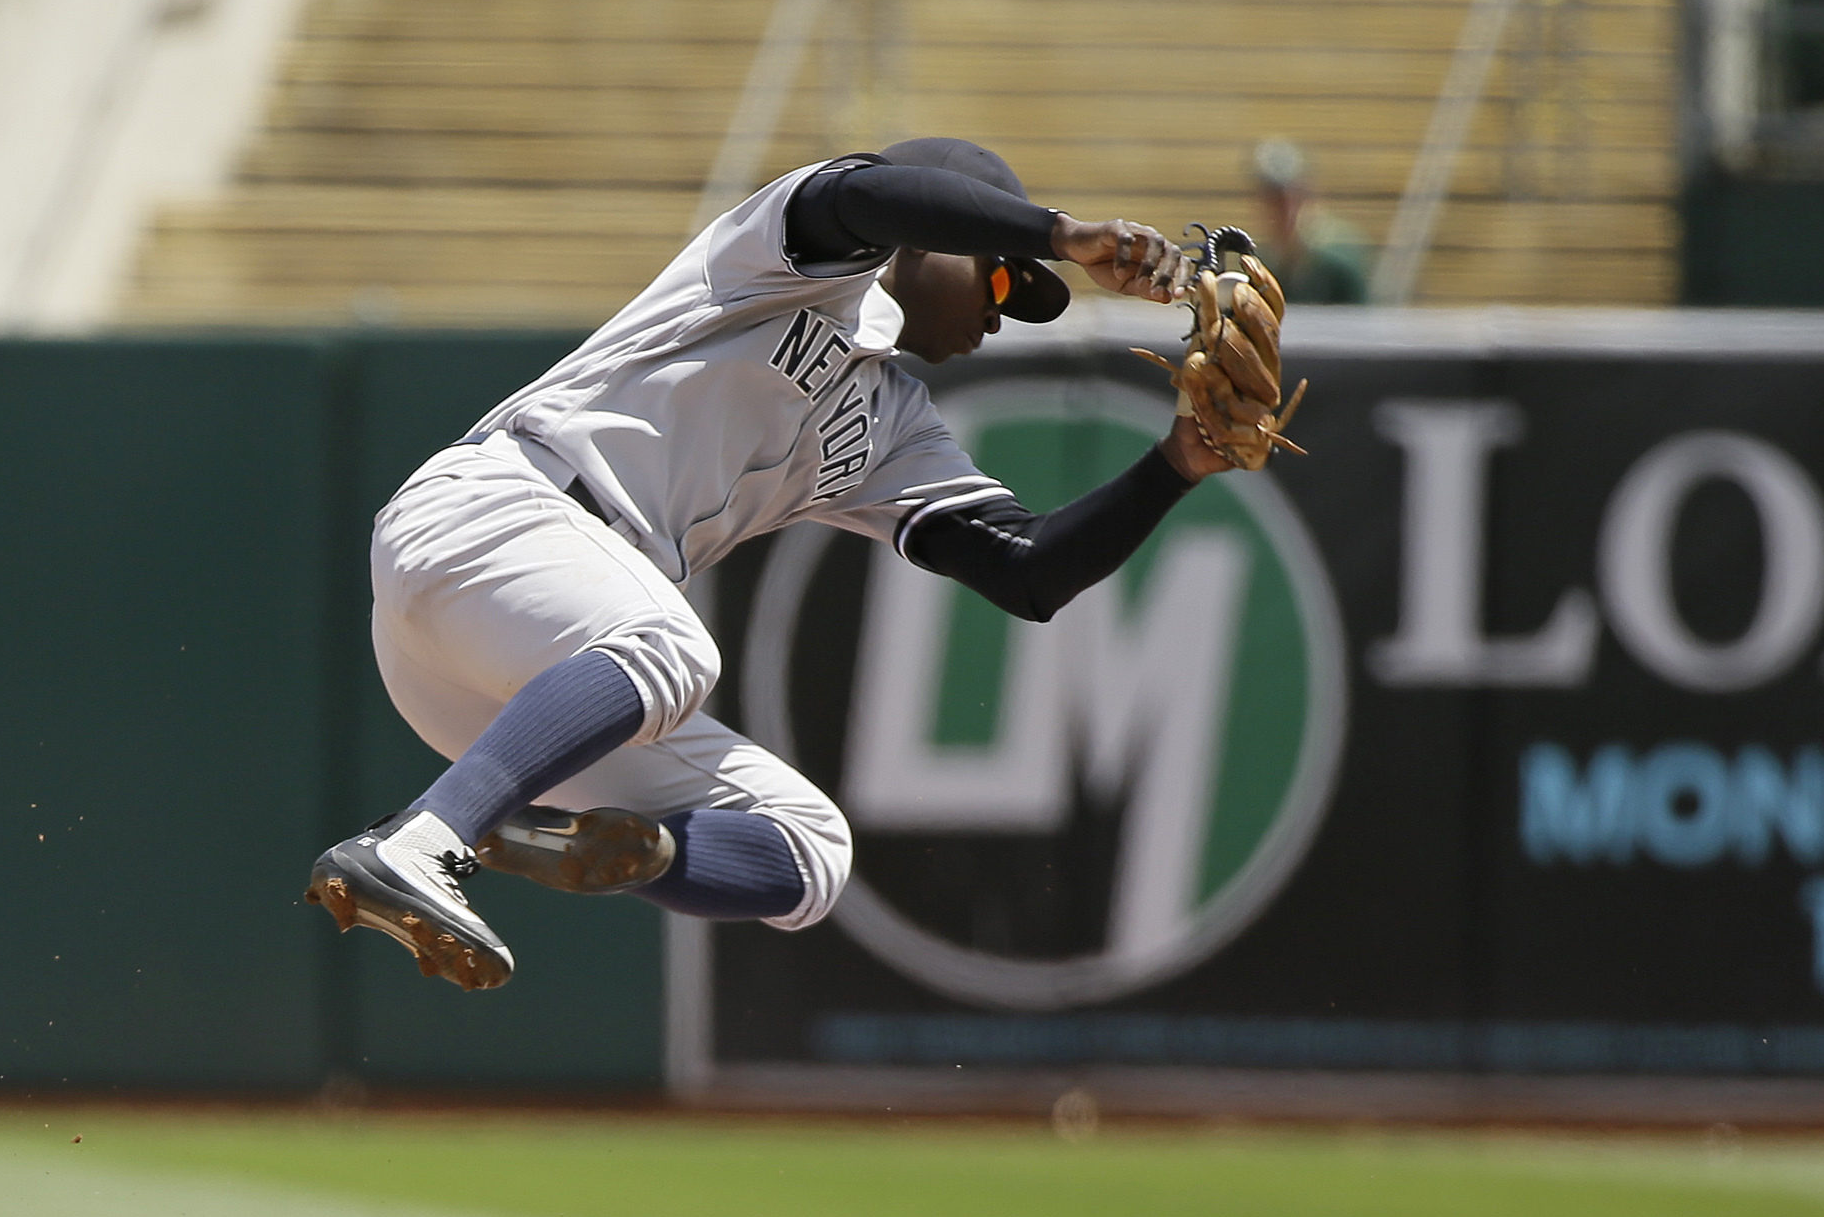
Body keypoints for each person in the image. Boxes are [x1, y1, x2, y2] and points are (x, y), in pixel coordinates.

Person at [298, 138, 1236, 992]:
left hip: (503, 675)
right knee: (672, 645)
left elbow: (1026, 570)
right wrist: (1065, 234)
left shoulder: (895, 425)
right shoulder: (788, 255)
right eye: (999, 284)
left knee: (812, 849)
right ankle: (423, 843)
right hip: (495, 513)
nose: (999, 318)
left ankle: (620, 847)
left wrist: (1180, 462)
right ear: (929, 241)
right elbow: (877, 192)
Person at [1248, 139, 1371, 307]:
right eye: (1273, 200)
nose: (1285, 210)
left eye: (1292, 198)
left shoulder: (1338, 261)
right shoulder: (1261, 262)